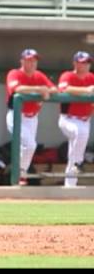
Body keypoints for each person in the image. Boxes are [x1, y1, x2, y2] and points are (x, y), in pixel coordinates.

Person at [5, 48, 57, 186]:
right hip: (16, 115)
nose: (32, 63)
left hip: (32, 118)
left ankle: (20, 173)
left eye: (34, 60)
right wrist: (39, 89)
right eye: (29, 60)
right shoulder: (14, 73)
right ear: (22, 61)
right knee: (30, 144)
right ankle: (20, 173)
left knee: (29, 147)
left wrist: (46, 91)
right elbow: (17, 89)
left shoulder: (39, 75)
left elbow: (54, 89)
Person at [57, 51, 94, 187]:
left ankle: (70, 185)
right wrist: (87, 90)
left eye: (87, 62)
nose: (85, 65)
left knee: (74, 150)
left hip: (85, 120)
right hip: (68, 119)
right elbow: (64, 89)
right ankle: (78, 163)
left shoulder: (91, 77)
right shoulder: (67, 75)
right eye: (82, 62)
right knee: (81, 134)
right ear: (75, 63)